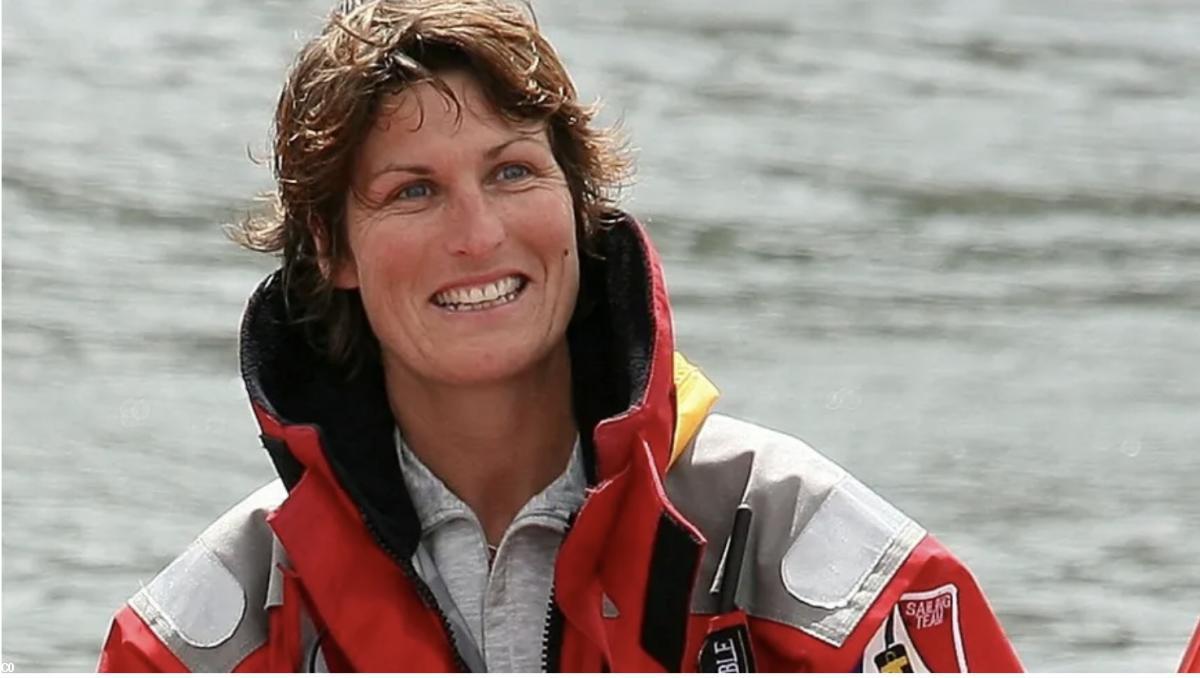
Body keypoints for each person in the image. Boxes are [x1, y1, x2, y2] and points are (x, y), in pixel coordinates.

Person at [98, 0, 1023, 672]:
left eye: (512, 172)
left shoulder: (806, 560)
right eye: (413, 190)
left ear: (579, 207)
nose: (477, 235)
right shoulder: (202, 643)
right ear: (331, 247)